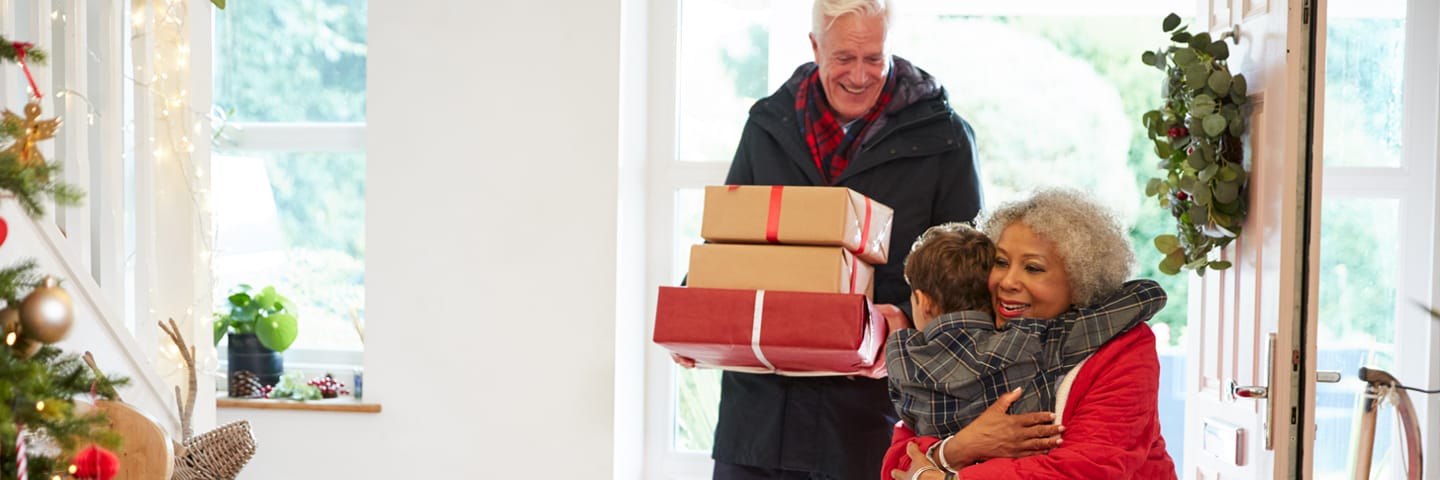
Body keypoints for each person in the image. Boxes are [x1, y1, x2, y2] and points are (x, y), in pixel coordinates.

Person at [671, 0, 984, 478]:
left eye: (874, 58)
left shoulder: (944, 139)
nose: (860, 76)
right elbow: (730, 241)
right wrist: (697, 315)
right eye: (843, 58)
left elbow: (969, 281)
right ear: (815, 46)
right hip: (756, 423)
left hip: (868, 421)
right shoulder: (768, 125)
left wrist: (907, 317)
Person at [886, 188, 1178, 479]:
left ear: (1079, 280)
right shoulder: (976, 330)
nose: (1008, 282)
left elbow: (1090, 467)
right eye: (1000, 262)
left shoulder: (1125, 345)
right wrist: (957, 449)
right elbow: (898, 461)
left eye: (1033, 268)